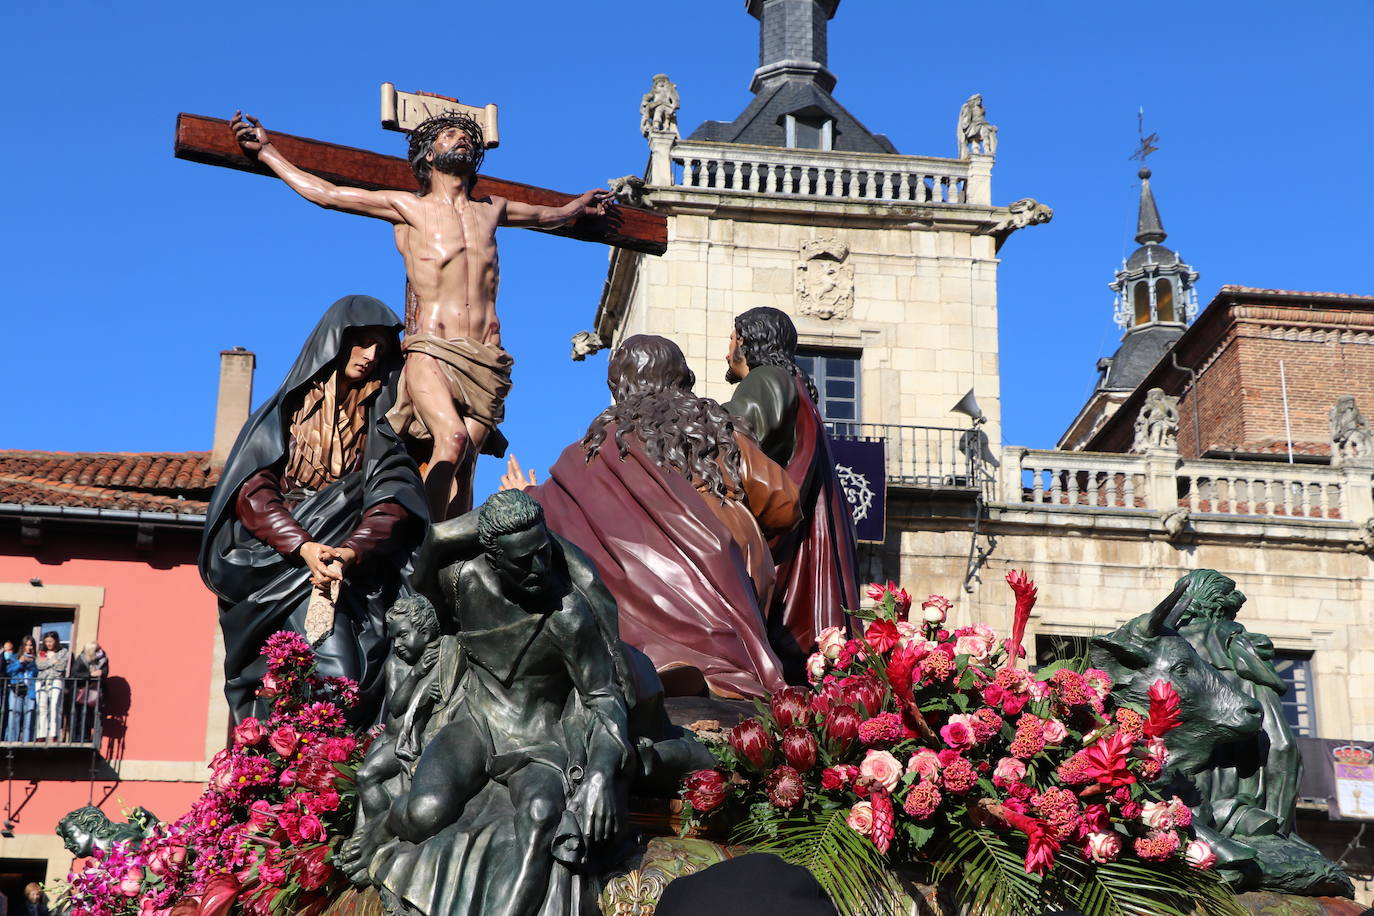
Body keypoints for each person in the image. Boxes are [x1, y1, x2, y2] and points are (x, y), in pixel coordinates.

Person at [230, 110, 613, 521]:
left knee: (467, 463)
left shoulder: (491, 210)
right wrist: (269, 153)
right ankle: (425, 546)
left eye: (467, 135)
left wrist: (576, 207)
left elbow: (545, 216)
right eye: (450, 134)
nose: (462, 139)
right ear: (429, 155)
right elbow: (328, 194)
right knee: (451, 439)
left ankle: (451, 565)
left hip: (487, 358)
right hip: (432, 347)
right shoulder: (408, 207)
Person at [342, 491, 632, 916]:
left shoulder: (569, 614)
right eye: (522, 560)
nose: (539, 567)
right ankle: (384, 827)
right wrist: (441, 534)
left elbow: (604, 697)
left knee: (540, 815)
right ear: (493, 558)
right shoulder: (462, 582)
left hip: (540, 742)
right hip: (474, 721)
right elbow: (416, 603)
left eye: (543, 552)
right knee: (424, 812)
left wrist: (601, 775)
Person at [503, 335, 801, 698]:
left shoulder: (589, 454)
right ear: (682, 378)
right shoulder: (715, 428)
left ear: (617, 387)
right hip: (731, 593)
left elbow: (554, 519)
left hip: (626, 625)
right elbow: (784, 505)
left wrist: (526, 497)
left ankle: (647, 665)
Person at [199, 295, 429, 725]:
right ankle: (316, 774)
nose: (371, 355)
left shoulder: (378, 429)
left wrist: (350, 551)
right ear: (334, 343)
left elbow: (393, 500)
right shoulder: (283, 414)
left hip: (349, 567)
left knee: (360, 675)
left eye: (380, 347)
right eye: (362, 342)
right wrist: (303, 547)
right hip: (283, 565)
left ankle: (326, 775)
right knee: (331, 675)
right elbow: (253, 492)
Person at [723, 307, 860, 682]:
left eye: (732, 340)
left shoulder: (767, 379)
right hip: (804, 540)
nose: (728, 351)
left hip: (784, 542)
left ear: (749, 344)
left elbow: (731, 437)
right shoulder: (795, 386)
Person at [69, 642, 107, 742]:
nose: (100, 651)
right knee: (78, 714)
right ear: (91, 652)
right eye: (97, 650)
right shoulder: (82, 659)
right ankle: (76, 739)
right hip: (79, 691)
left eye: (100, 649)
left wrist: (102, 673)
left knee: (88, 715)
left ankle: (85, 737)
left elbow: (105, 672)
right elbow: (75, 674)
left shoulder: (103, 658)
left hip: (93, 691)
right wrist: (90, 674)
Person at [34, 632, 68, 743]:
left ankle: (54, 734)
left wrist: (49, 662)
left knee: (54, 707)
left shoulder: (63, 652)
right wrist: (53, 661)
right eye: (46, 641)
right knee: (42, 708)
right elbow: (39, 665)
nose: (48, 644)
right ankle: (41, 735)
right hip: (42, 681)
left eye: (51, 641)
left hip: (56, 680)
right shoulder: (42, 652)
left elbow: (61, 667)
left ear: (56, 641)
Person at [5, 637, 36, 742]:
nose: (29, 647)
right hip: (16, 688)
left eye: (31, 645)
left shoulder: (36, 660)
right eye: (26, 645)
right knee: (14, 715)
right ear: (22, 646)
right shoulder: (14, 657)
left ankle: (27, 743)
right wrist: (20, 662)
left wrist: (31, 662)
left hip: (30, 689)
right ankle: (11, 742)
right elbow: (9, 671)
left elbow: (38, 672)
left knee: (29, 716)